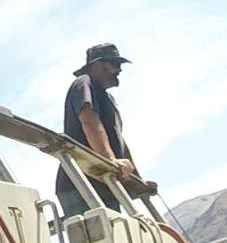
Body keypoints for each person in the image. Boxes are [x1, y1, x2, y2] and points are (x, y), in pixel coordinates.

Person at [56, 43, 156, 216]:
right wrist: (110, 160)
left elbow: (119, 143)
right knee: (97, 239)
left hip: (104, 182)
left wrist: (139, 181)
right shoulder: (84, 83)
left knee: (117, 235)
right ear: (98, 65)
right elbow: (88, 120)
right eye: (115, 65)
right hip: (81, 183)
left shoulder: (107, 99)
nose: (119, 71)